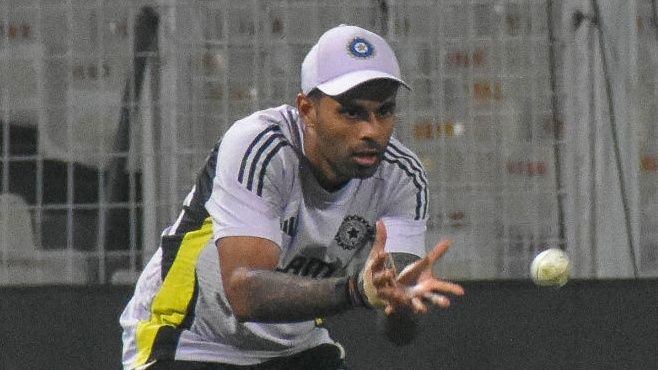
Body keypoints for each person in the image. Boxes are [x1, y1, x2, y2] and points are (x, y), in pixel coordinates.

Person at [120, 24, 465, 370]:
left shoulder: (402, 178)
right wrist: (356, 292)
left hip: (293, 349)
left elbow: (399, 331)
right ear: (307, 110)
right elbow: (244, 291)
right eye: (351, 112)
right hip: (186, 340)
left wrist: (400, 303)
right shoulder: (259, 148)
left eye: (384, 112)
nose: (371, 131)